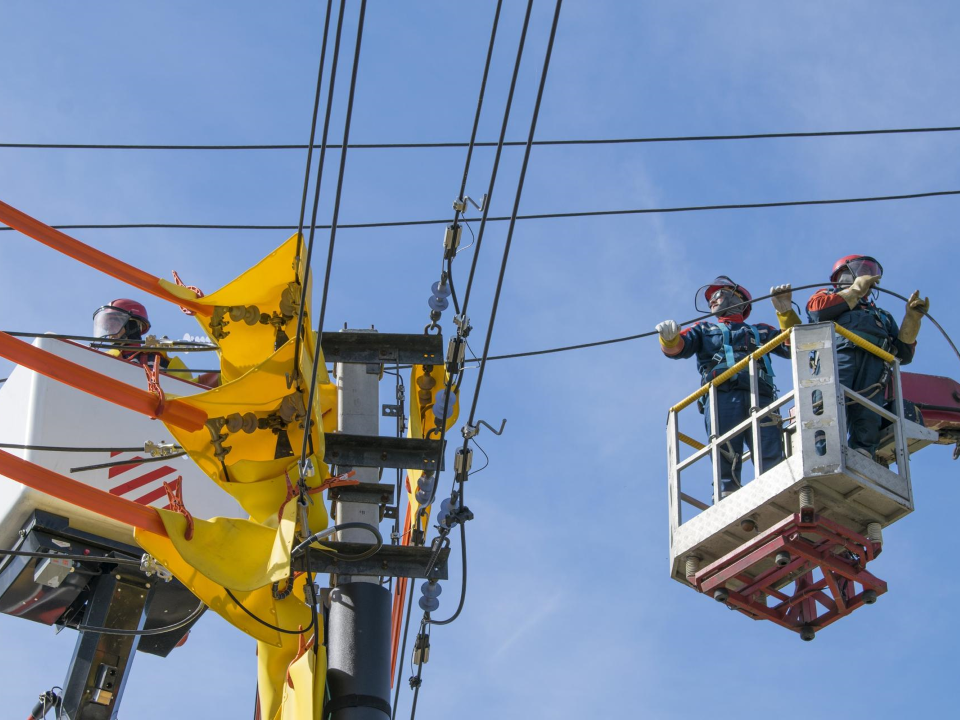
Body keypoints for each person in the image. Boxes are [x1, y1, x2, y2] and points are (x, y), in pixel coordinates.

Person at [657, 276, 792, 499]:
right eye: (710, 299)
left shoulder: (760, 331)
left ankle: (776, 488)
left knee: (768, 442)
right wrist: (668, 339)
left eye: (717, 295)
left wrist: (786, 313)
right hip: (722, 393)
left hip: (761, 393)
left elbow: (795, 345)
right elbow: (680, 347)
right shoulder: (704, 329)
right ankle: (728, 493)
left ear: (737, 298)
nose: (712, 301)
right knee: (725, 446)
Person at [805, 255, 928, 458]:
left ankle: (863, 453)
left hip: (874, 364)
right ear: (842, 276)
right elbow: (817, 312)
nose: (867, 275)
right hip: (837, 356)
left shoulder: (881, 315)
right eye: (861, 270)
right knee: (829, 402)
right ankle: (825, 451)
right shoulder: (826, 296)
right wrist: (854, 291)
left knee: (869, 409)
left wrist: (912, 320)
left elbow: (903, 354)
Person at [92, 298, 212, 384]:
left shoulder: (160, 360)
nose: (110, 332)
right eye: (107, 327)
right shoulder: (102, 358)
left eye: (115, 324)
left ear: (132, 325)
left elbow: (188, 389)